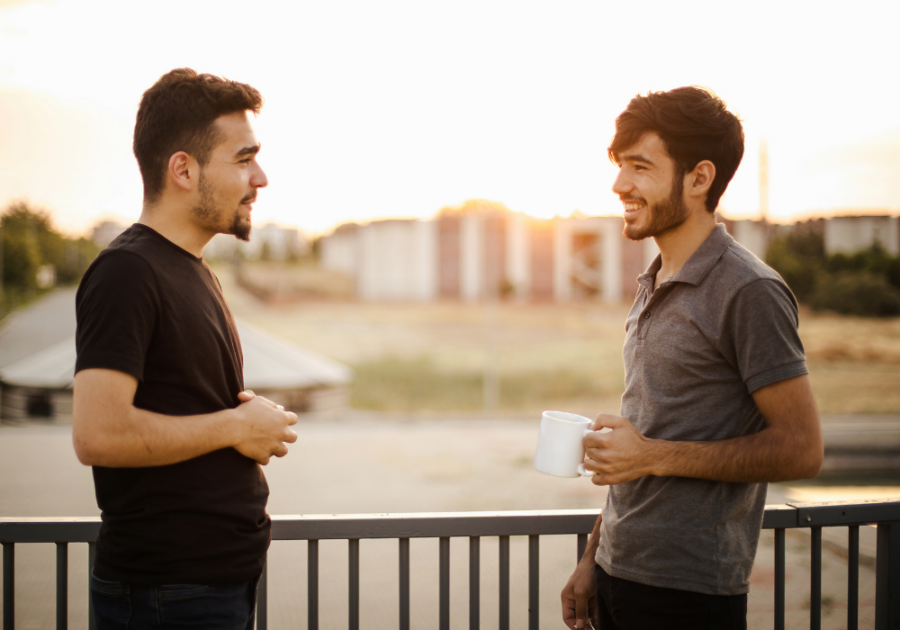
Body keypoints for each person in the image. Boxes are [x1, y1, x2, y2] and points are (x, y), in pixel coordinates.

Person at [560, 87, 823, 630]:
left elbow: (802, 450)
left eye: (640, 166)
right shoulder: (653, 280)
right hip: (618, 575)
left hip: (689, 596)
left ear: (699, 178)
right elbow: (647, 438)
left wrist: (653, 455)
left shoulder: (748, 290)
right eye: (618, 165)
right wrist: (592, 560)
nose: (619, 184)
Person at [72, 68, 298, 630]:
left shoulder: (191, 270)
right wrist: (235, 427)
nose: (261, 177)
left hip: (205, 589)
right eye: (244, 159)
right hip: (167, 597)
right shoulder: (127, 272)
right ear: (183, 169)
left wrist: (241, 420)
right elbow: (97, 433)